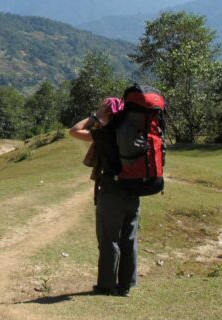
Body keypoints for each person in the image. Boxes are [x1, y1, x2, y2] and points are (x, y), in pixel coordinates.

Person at [69, 97, 140, 297]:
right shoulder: (134, 132)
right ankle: (126, 285)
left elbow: (74, 131)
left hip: (111, 190)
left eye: (103, 108)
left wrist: (94, 116)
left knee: (109, 238)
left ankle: (106, 285)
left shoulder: (105, 134)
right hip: (134, 190)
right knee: (129, 238)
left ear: (108, 112)